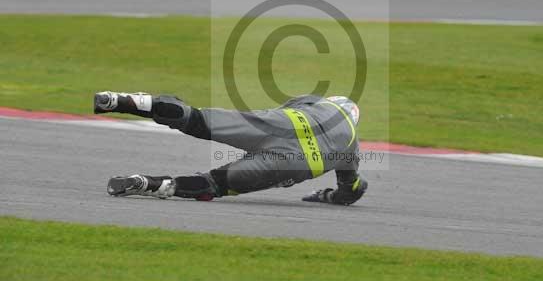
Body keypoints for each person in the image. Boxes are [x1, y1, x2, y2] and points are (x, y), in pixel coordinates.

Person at [94, 92, 368, 205]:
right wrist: (326, 195)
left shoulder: (317, 102)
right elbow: (352, 190)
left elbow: (286, 106)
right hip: (294, 163)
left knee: (197, 119)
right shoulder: (352, 148)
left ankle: (123, 100)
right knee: (214, 184)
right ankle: (148, 184)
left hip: (279, 124)